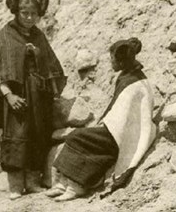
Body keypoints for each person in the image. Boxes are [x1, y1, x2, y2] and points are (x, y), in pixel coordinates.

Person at [0, 0, 67, 200]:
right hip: (15, 99)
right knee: (16, 137)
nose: (29, 18)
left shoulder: (39, 36)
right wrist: (9, 96)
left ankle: (31, 183)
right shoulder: (6, 35)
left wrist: (36, 55)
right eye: (24, 13)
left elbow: (50, 65)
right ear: (15, 12)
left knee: (38, 135)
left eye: (33, 14)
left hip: (38, 97)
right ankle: (15, 186)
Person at [46, 38, 157, 202]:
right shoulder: (128, 75)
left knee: (77, 136)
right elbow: (118, 110)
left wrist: (105, 125)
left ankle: (76, 186)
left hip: (124, 135)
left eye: (112, 60)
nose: (111, 63)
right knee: (81, 135)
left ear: (121, 61)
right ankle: (63, 183)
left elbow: (125, 118)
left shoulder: (133, 82)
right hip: (117, 128)